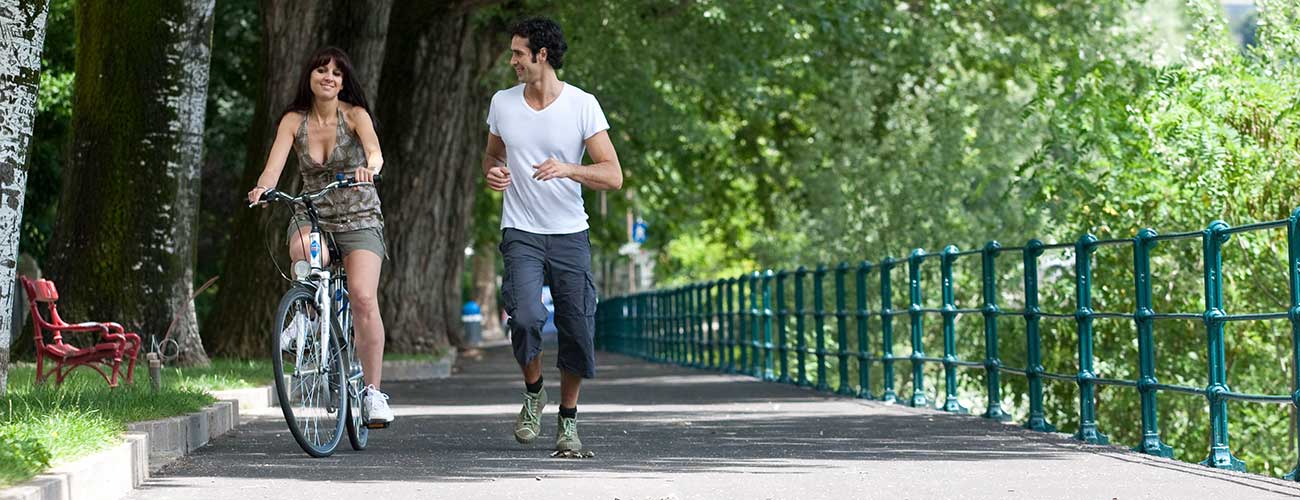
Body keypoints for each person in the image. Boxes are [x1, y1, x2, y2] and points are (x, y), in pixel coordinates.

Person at [483, 17, 623, 452]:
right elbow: (492, 153)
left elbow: (613, 175)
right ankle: (533, 392)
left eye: (518, 54)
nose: (512, 62)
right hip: (521, 230)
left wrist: (569, 168)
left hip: (569, 233)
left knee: (577, 328)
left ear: (541, 55)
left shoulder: (582, 105)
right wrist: (494, 171)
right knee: (525, 318)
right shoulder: (503, 103)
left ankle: (567, 421)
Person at [246, 46, 394, 426]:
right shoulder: (293, 121)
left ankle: (373, 394)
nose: (328, 77)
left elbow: (375, 153)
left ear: (344, 82)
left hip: (360, 215)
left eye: (336, 73)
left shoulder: (355, 115)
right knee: (305, 252)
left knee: (362, 297)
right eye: (321, 70)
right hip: (313, 211)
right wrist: (263, 189)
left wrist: (369, 168)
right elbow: (273, 168)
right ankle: (307, 315)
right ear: (309, 77)